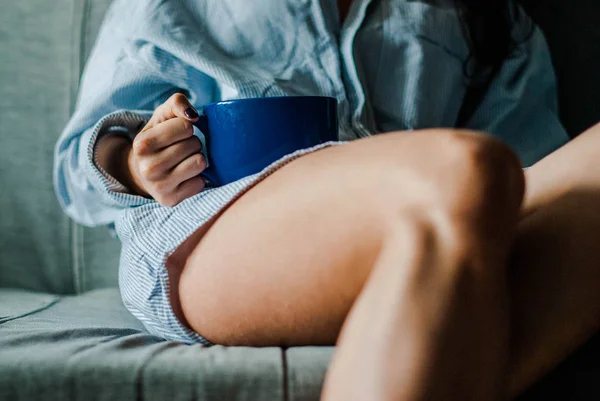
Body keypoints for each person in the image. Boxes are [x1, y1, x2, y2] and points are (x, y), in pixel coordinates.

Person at [54, 0, 600, 398]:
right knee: (465, 172)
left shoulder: (492, 17)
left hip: (458, 222)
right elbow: (76, 170)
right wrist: (135, 163)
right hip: (216, 233)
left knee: (487, 179)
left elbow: (528, 176)